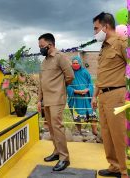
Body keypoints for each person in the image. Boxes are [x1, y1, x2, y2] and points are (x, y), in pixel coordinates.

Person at [91, 12, 128, 178]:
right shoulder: (104, 47)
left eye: (96, 28)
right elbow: (101, 75)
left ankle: (126, 170)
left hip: (117, 94)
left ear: (106, 27)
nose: (94, 33)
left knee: (119, 134)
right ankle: (114, 166)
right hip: (103, 95)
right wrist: (94, 96)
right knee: (107, 133)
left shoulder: (122, 43)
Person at [37, 33, 74, 171]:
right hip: (46, 99)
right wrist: (39, 99)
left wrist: (59, 88)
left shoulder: (60, 57)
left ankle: (65, 158)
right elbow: (41, 82)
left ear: (50, 45)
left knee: (57, 127)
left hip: (57, 98)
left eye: (42, 46)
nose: (40, 48)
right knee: (51, 127)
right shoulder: (44, 61)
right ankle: (57, 152)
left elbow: (70, 76)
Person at [67, 55, 98, 136]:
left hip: (87, 97)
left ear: (80, 63)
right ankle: (79, 131)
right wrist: (76, 91)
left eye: (77, 63)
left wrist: (87, 90)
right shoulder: (69, 73)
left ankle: (95, 131)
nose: (75, 64)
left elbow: (90, 84)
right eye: (73, 63)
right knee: (77, 115)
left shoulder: (85, 72)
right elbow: (67, 86)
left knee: (92, 114)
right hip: (76, 98)